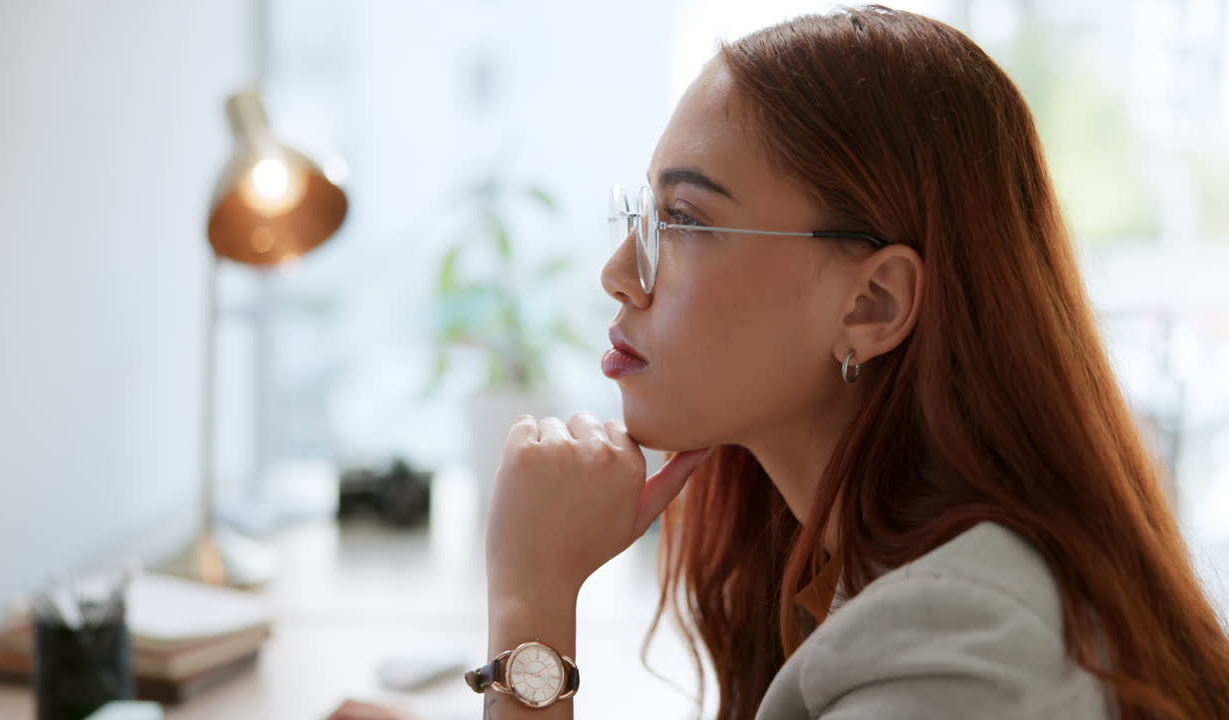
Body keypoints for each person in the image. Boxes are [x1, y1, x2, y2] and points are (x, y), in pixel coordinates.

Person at [475, 5, 1229, 720]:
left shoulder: (960, 645)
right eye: (644, 214)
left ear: (873, 304)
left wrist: (530, 609)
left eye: (684, 219)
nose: (618, 272)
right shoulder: (839, 570)